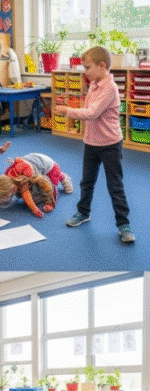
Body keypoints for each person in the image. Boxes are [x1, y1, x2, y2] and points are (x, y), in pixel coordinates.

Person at [54, 46, 134, 243]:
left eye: (87, 67)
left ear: (102, 66)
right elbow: (88, 108)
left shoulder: (110, 88)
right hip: (91, 143)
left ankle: (123, 224)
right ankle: (83, 212)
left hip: (109, 145)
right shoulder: (94, 83)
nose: (85, 72)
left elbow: (92, 113)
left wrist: (67, 111)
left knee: (115, 185)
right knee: (87, 182)